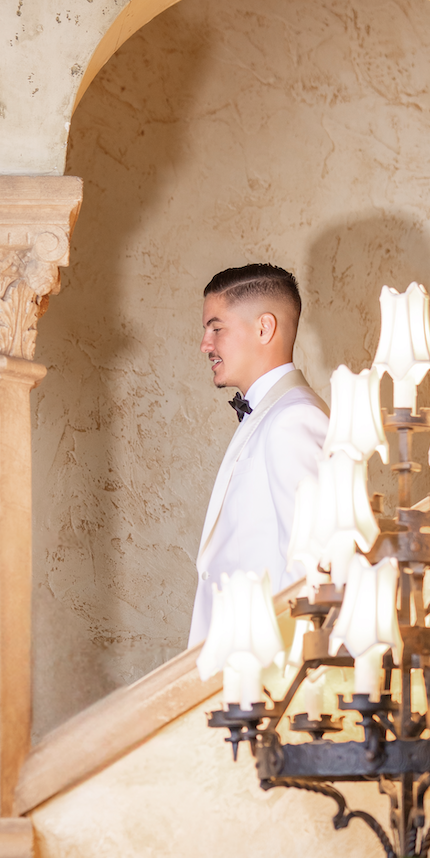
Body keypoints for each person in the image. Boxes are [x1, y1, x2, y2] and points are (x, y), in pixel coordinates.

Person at [188, 263, 329, 647]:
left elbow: (313, 571)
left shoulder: (295, 419)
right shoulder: (272, 414)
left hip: (266, 679)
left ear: (264, 328)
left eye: (216, 328)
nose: (205, 344)